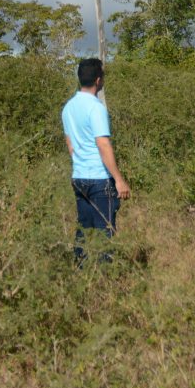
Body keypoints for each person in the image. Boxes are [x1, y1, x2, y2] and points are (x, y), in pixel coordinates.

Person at [61, 58, 131, 264]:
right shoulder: (96, 107)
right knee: (105, 232)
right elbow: (103, 144)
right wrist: (118, 179)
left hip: (79, 177)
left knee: (84, 229)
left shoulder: (68, 108)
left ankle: (81, 271)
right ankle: (105, 279)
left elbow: (70, 146)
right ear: (99, 80)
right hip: (99, 179)